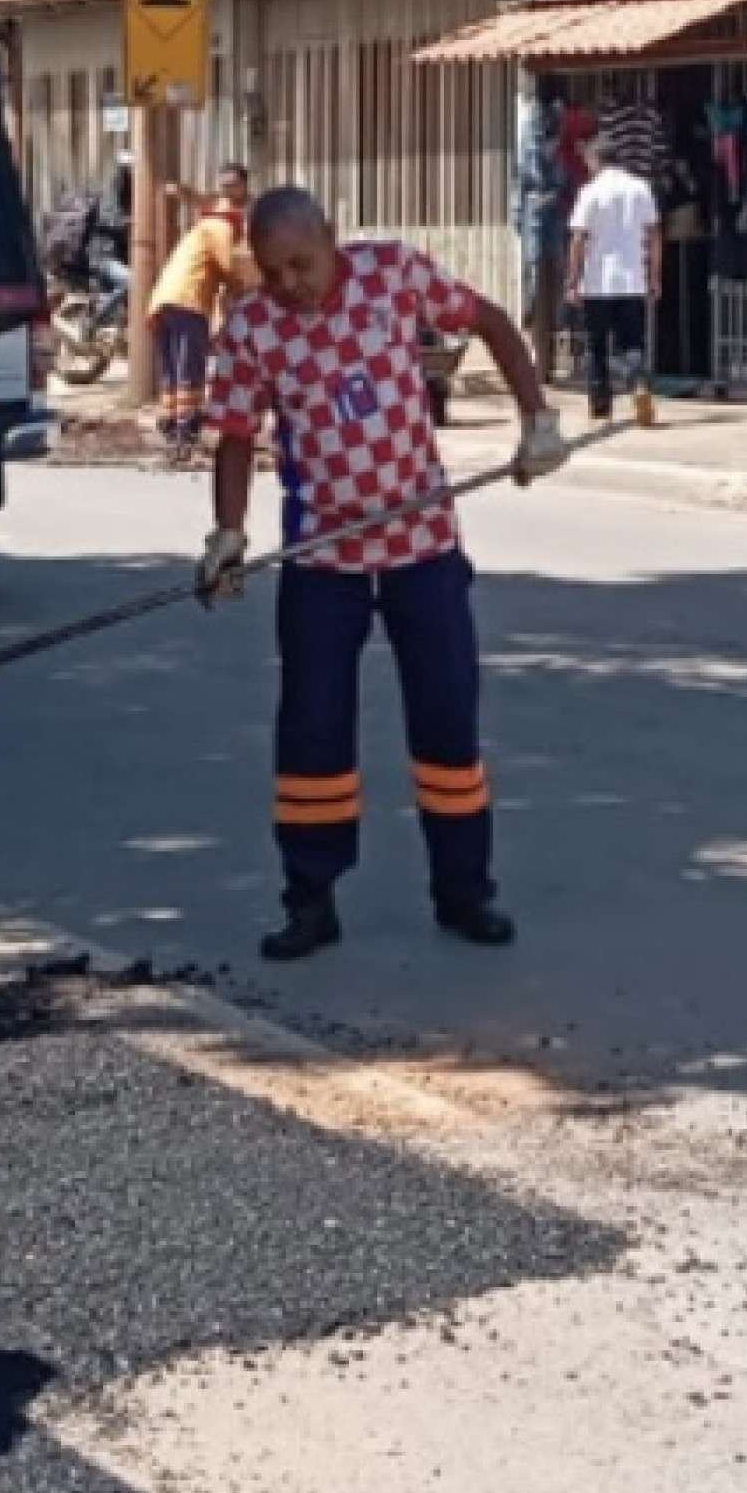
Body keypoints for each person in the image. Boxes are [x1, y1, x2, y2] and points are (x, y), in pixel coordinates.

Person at [197, 188, 566, 963]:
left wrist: (537, 421)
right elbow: (233, 434)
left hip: (422, 544)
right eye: (272, 272)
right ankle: (310, 899)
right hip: (322, 557)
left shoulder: (392, 274)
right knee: (312, 727)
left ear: (332, 238)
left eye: (301, 262)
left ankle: (464, 891)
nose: (291, 283)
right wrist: (228, 533)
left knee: (445, 718)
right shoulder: (253, 328)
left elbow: (491, 322)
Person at [148, 163, 258, 461]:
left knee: (173, 369)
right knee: (189, 368)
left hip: (165, 299)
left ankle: (171, 425)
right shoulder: (220, 227)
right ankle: (184, 432)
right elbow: (231, 269)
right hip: (189, 300)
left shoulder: (204, 225)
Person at [566, 153, 661, 424]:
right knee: (632, 341)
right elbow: (654, 234)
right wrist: (654, 276)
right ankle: (638, 385)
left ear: (596, 160)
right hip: (632, 280)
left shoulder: (590, 191)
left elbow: (578, 238)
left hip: (597, 282)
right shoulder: (641, 188)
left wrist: (573, 279)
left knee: (597, 346)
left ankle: (600, 407)